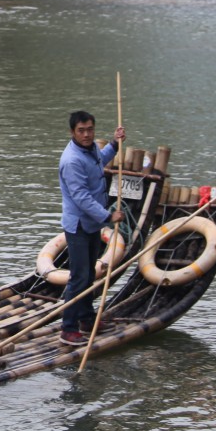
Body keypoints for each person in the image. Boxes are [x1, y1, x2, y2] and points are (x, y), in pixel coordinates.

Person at [58, 111, 125, 346]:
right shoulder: (72, 160)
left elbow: (100, 162)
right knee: (79, 277)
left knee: (89, 274)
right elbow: (81, 197)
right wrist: (108, 215)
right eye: (81, 131)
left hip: (92, 224)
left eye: (90, 130)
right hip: (78, 225)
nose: (86, 135)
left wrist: (115, 144)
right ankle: (68, 327)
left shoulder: (92, 149)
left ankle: (86, 319)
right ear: (72, 132)